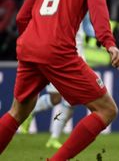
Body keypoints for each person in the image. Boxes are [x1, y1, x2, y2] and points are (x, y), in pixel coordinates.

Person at [0, 0, 119, 160]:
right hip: (57, 50)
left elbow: (23, 15)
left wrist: (32, 41)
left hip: (29, 47)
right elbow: (99, 10)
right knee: (106, 110)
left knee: (17, 111)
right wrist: (109, 43)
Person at [19, 13, 95, 150]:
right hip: (59, 55)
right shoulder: (57, 5)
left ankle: (53, 138)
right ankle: (31, 112)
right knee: (56, 98)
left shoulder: (81, 1)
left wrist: (103, 37)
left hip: (76, 56)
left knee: (69, 99)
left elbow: (87, 26)